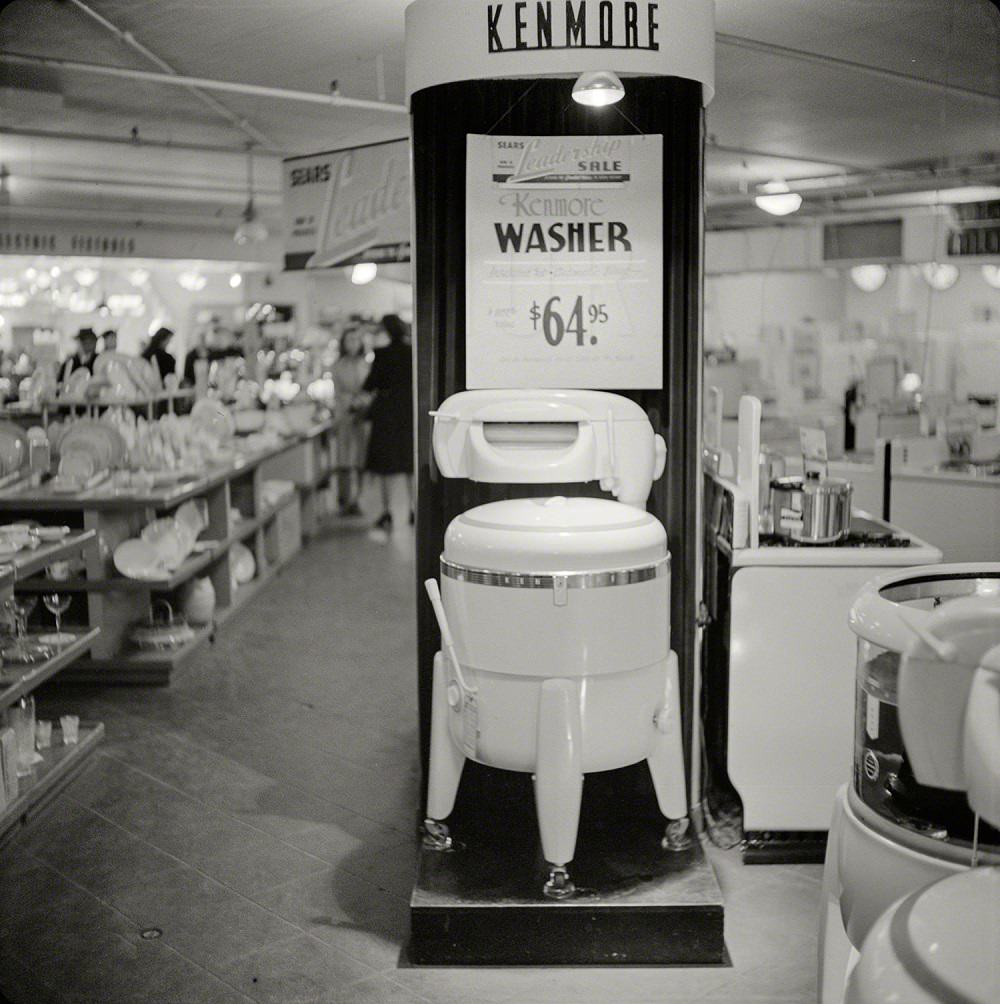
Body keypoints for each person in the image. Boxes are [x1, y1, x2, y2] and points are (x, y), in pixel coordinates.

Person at [362, 314, 413, 530]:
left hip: (386, 413)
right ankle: (413, 508)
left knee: (385, 465)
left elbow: (370, 384)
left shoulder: (381, 355)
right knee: (409, 463)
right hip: (408, 411)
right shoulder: (412, 352)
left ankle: (387, 511)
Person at [332, 326, 371, 516]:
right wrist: (350, 403)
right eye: (349, 340)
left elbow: (371, 391)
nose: (353, 344)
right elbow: (338, 393)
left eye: (356, 339)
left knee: (361, 460)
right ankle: (344, 499)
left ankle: (358, 498)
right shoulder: (338, 366)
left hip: (363, 417)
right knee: (344, 460)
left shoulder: (366, 365)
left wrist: (362, 402)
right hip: (346, 417)